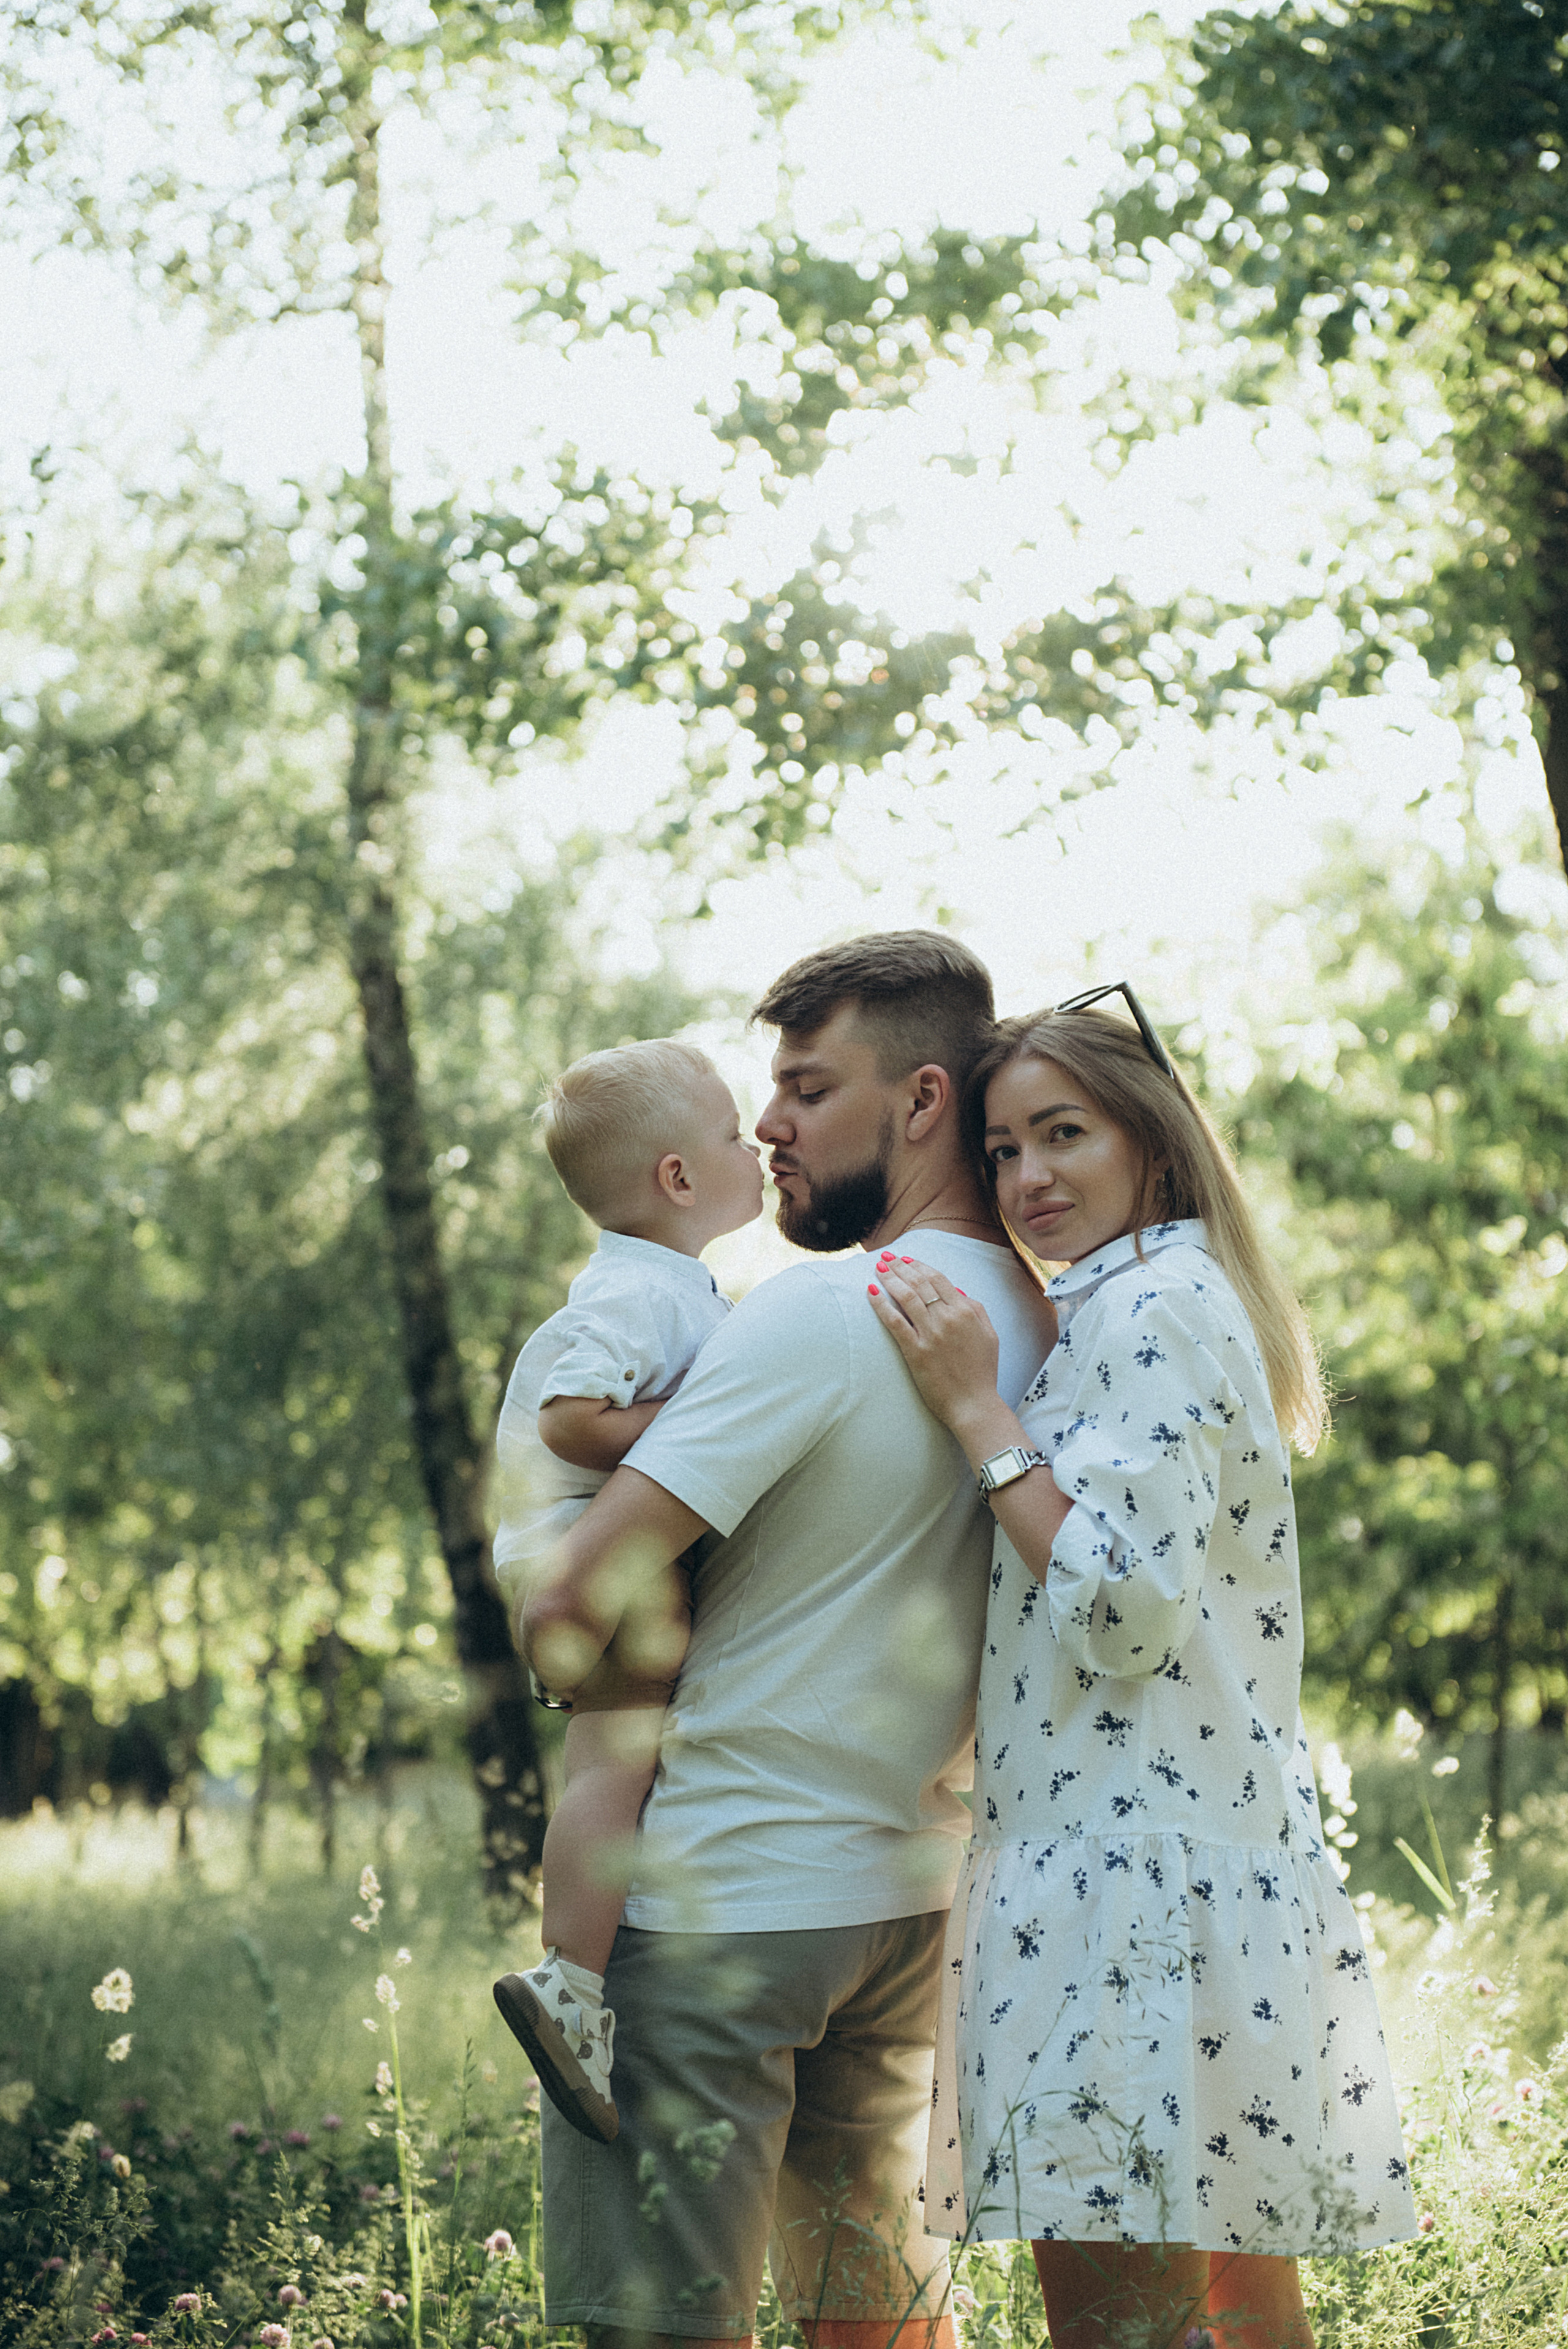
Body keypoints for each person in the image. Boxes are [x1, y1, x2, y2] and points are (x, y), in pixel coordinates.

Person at [510, 932, 1058, 2349]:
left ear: (923, 1101)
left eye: (808, 1091)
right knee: (869, 2319)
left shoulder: (818, 1310)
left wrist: (574, 1645)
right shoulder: (1043, 1316)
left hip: (721, 1907)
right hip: (905, 1904)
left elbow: (575, 1604)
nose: (767, 1125)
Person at [865, 991, 1415, 2349]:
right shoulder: (1148, 1296)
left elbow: (1117, 1608)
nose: (1028, 1177)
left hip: (1120, 1895)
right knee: (1235, 2316)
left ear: (1151, 1147)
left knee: (1120, 2325)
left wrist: (975, 1412)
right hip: (1169, 1868)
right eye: (1000, 1150)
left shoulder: (1150, 1310)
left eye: (1063, 1134)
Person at [491, 1038, 765, 2142]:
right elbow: (570, 1414)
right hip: (580, 1553)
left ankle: (576, 1976)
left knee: (619, 1755)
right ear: (679, 1179)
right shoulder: (639, 1295)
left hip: (573, 1550)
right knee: (615, 1759)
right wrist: (701, 1438)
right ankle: (571, 1983)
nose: (758, 1150)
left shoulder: (664, 1283)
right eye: (737, 1134)